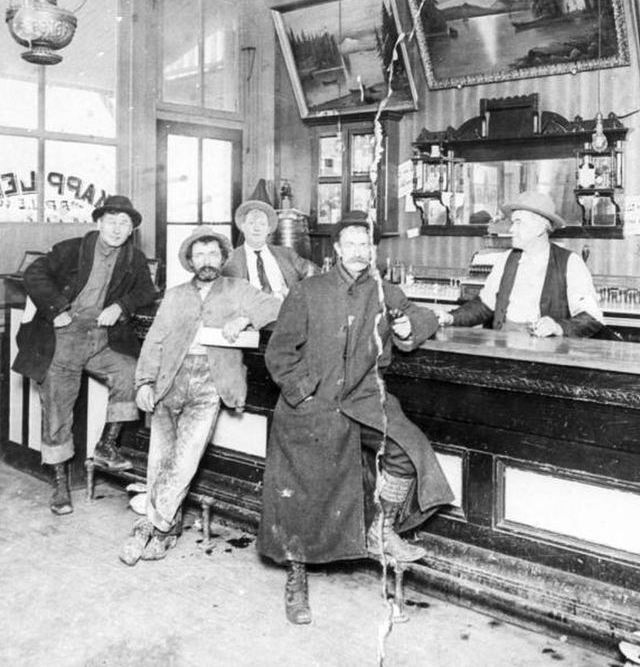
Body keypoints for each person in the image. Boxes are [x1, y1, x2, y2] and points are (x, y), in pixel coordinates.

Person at [258, 210, 454, 625]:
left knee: (407, 448)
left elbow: (421, 317)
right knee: (305, 487)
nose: (359, 252)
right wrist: (302, 392)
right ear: (337, 249)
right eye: (351, 243)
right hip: (312, 401)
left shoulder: (384, 291)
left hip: (365, 397)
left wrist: (406, 329)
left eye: (366, 244)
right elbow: (279, 354)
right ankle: (296, 574)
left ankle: (380, 528)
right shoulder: (309, 291)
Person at [118, 226, 281, 566]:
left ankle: (152, 526)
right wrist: (144, 382)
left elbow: (278, 306)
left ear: (223, 259)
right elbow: (155, 340)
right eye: (199, 254)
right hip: (170, 379)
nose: (206, 260)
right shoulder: (176, 295)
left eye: (213, 254)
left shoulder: (239, 289)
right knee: (159, 458)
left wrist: (245, 317)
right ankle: (166, 528)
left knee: (185, 460)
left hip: (211, 383)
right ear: (190, 261)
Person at [12, 195, 158, 515]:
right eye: (112, 221)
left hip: (101, 338)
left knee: (132, 373)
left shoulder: (133, 258)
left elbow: (148, 291)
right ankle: (61, 484)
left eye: (125, 224)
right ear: (99, 223)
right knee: (57, 412)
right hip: (62, 338)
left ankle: (107, 445)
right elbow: (33, 274)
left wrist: (121, 306)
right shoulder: (72, 248)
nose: (118, 229)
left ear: (131, 230)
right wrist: (57, 309)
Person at [440, 190, 603, 337]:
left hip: (546, 353)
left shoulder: (570, 263)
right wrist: (451, 317)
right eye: (512, 222)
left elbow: (591, 317)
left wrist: (558, 327)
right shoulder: (505, 259)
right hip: (504, 345)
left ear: (540, 228)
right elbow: (484, 305)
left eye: (519, 222)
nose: (511, 229)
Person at [223, 199, 318, 302]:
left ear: (268, 229)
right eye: (251, 223)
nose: (257, 229)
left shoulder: (286, 254)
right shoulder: (231, 259)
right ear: (243, 227)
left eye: (262, 224)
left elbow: (314, 272)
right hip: (252, 314)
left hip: (288, 311)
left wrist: (298, 292)